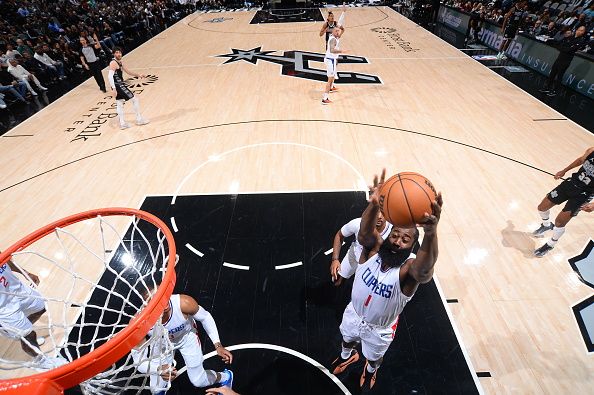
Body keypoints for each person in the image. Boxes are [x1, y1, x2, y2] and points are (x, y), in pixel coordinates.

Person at [330, 170, 442, 391]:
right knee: (346, 339)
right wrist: (373, 205)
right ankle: (347, 356)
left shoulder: (407, 270)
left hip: (379, 330)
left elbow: (424, 272)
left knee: (373, 358)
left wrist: (431, 233)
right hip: (354, 313)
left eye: (406, 239)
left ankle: (370, 370)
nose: (398, 241)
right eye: (396, 236)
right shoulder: (372, 251)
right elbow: (364, 234)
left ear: (412, 246)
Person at [132, 293, 234, 393]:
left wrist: (218, 345)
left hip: (187, 338)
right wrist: (158, 369)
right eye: (156, 299)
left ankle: (226, 377)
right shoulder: (138, 324)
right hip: (161, 345)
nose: (164, 300)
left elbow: (205, 317)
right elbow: (138, 363)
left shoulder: (183, 303)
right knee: (156, 390)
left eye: (163, 294)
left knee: (198, 381)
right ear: (146, 305)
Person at [0, 253, 66, 369]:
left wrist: (24, 272)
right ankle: (41, 361)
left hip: (17, 289)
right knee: (28, 336)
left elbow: (6, 259)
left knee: (41, 308)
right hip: (4, 308)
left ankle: (20, 331)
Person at [533, 147, 594, 257]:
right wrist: (564, 171)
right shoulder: (592, 150)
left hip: (583, 195)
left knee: (559, 222)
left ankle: (550, 244)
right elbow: (580, 160)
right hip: (570, 184)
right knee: (542, 207)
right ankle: (546, 225)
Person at [330, 212, 392, 286]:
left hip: (373, 264)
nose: (379, 216)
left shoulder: (392, 232)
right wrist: (335, 259)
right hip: (355, 255)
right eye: (376, 212)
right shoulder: (358, 223)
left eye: (383, 212)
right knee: (337, 281)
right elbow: (339, 235)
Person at [539, 25, 588, 96]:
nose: (579, 31)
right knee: (552, 74)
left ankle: (554, 91)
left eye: (582, 30)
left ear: (583, 32)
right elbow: (561, 44)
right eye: (579, 29)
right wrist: (564, 48)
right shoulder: (570, 37)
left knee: (559, 76)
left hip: (566, 61)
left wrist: (564, 48)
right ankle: (547, 87)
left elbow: (570, 49)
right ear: (576, 30)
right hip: (559, 58)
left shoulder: (581, 40)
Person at [108, 47, 149, 129]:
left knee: (119, 103)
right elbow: (110, 76)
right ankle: (139, 119)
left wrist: (138, 75)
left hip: (118, 85)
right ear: (113, 54)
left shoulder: (120, 62)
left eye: (120, 52)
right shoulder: (113, 63)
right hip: (118, 85)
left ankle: (122, 123)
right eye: (117, 52)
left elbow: (128, 71)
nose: (119, 54)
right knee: (135, 99)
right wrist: (114, 89)